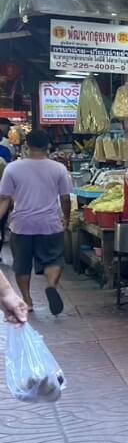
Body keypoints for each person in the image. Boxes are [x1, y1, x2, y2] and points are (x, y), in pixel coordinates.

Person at [0, 130, 72, 316]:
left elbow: (5, 199)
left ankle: (27, 299)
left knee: (22, 264)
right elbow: (65, 198)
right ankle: (50, 284)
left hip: (22, 224)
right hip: (49, 223)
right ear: (48, 145)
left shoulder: (13, 168)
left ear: (27, 146)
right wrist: (66, 217)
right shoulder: (58, 169)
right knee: (54, 259)